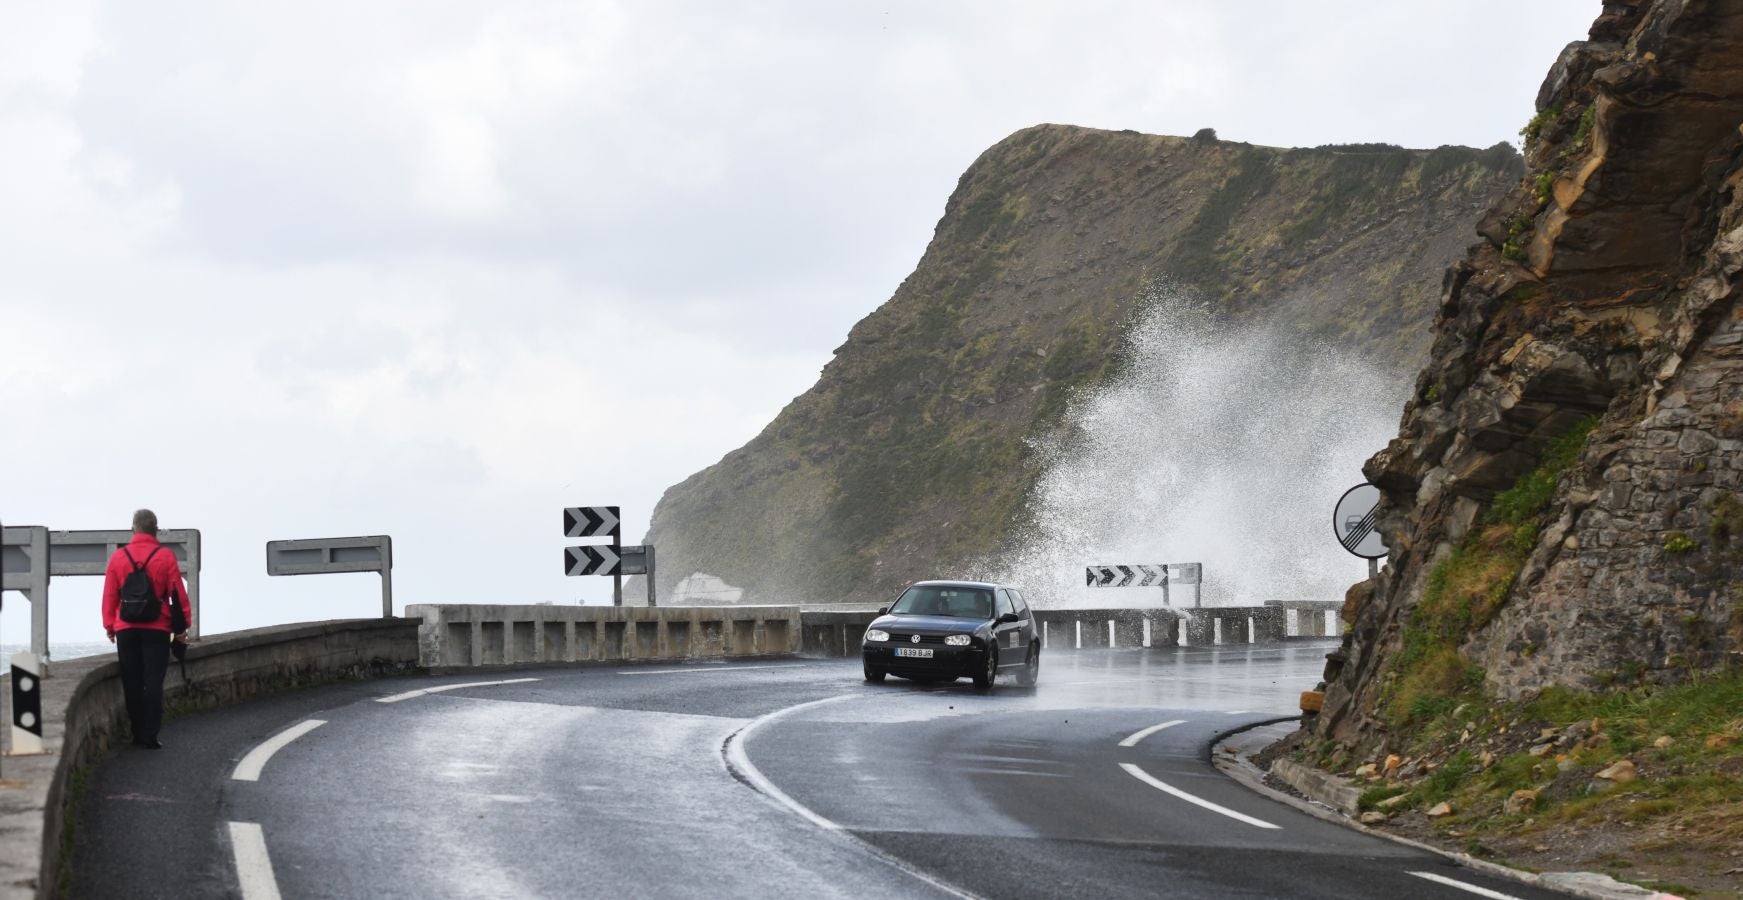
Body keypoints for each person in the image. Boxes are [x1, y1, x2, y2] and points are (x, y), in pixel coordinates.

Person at [101, 509, 193, 749]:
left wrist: (110, 626)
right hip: (157, 628)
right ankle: (150, 735)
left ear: (133, 529)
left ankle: (136, 732)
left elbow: (110, 594)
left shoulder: (119, 557)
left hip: (126, 628)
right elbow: (177, 594)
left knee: (131, 682)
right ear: (156, 530)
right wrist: (183, 625)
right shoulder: (165, 556)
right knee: (153, 683)